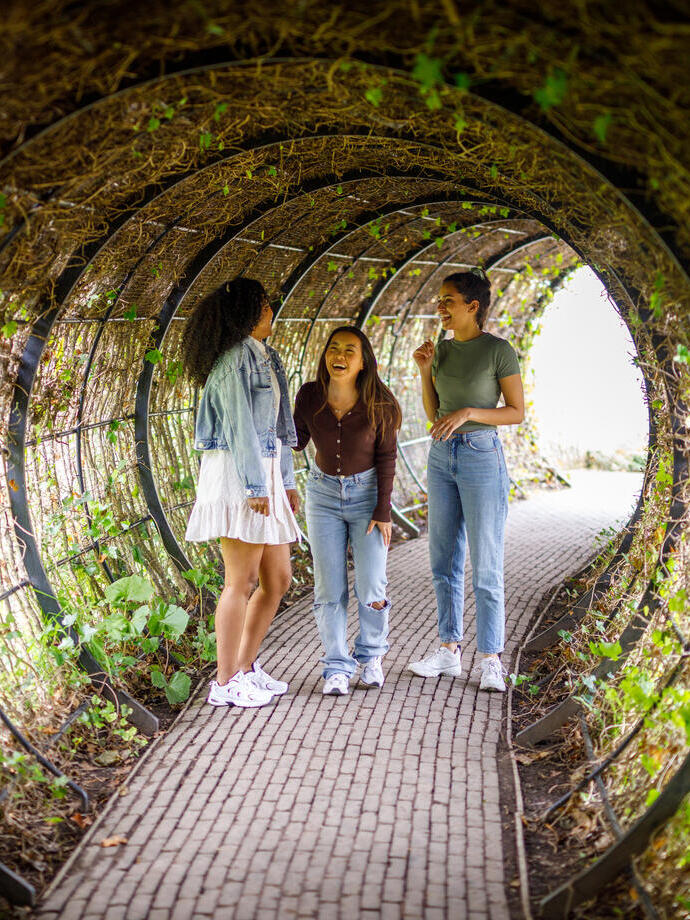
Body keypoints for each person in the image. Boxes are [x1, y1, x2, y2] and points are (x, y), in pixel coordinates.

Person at [182, 278, 302, 708]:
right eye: (267, 305)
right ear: (250, 313)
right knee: (242, 580)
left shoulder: (268, 357)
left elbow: (279, 430)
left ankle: (247, 668)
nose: (272, 312)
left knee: (278, 578)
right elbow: (239, 430)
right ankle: (225, 680)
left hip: (265, 476)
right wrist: (255, 486)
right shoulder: (234, 361)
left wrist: (285, 482)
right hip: (239, 477)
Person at [408, 269, 524, 692]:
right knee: (443, 559)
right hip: (442, 457)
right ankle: (448, 650)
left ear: (473, 306)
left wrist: (470, 413)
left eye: (449, 300)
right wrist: (424, 371)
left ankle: (491, 658)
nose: (440, 307)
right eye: (439, 300)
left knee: (486, 563)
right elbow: (434, 413)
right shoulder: (439, 349)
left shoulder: (499, 351)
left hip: (481, 457)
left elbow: (515, 413)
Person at [293, 327, 401, 695]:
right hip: (322, 496)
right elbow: (294, 440)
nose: (339, 355)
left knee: (371, 582)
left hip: (368, 497)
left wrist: (383, 511)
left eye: (349, 351)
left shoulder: (381, 402)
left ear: (363, 361)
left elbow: (387, 457)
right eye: (333, 348)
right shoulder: (309, 396)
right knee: (328, 587)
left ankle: (370, 657)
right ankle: (336, 666)